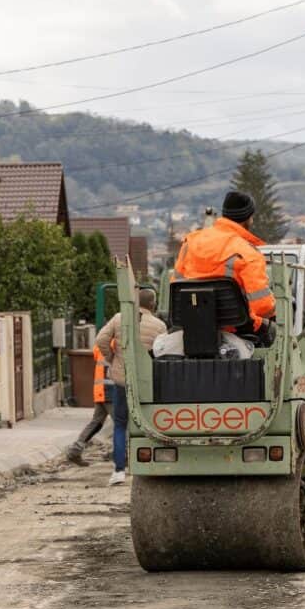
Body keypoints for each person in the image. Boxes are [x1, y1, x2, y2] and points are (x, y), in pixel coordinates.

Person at [173, 191, 276, 333]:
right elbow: (262, 306)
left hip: (193, 324)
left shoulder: (190, 242)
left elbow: (176, 285)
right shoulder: (248, 253)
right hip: (236, 329)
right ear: (249, 218)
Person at [96, 287, 166, 486]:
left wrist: (112, 359)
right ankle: (148, 468)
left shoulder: (119, 318)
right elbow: (163, 352)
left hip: (121, 380)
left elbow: (101, 339)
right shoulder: (159, 326)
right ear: (153, 304)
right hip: (146, 383)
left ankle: (119, 470)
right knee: (147, 423)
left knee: (120, 424)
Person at [65, 345, 113, 466]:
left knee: (96, 423)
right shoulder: (116, 344)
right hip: (111, 391)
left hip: (102, 391)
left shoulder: (103, 345)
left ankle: (74, 451)